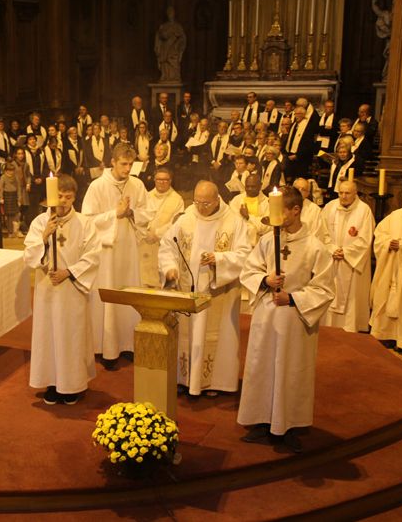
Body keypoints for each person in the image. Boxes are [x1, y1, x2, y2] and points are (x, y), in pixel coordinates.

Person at [237, 186, 335, 453]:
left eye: (280, 210)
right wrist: (265, 280)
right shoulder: (269, 240)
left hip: (295, 321)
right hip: (266, 317)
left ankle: (288, 424)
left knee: (291, 371)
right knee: (262, 366)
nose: (274, 215)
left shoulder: (315, 247)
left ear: (295, 210)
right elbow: (249, 268)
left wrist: (292, 298)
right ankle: (260, 420)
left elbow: (325, 289)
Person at [159, 180, 251, 398]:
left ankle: (215, 383)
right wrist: (170, 268)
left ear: (217, 199)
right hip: (187, 290)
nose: (200, 207)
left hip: (217, 292)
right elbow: (167, 244)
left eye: (206, 203)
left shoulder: (234, 221)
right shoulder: (187, 218)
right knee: (186, 334)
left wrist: (218, 259)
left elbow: (245, 254)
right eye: (197, 202)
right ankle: (185, 378)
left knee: (215, 337)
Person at [24, 175, 101, 405]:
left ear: (75, 197)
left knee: (71, 335)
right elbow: (30, 254)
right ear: (51, 197)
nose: (64, 201)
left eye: (69, 197)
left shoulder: (86, 223)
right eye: (60, 196)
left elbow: (93, 256)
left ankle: (73, 384)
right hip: (48, 289)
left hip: (71, 290)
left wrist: (69, 272)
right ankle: (52, 382)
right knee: (49, 335)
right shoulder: (39, 222)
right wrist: (45, 237)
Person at [83, 143, 152, 370]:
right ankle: (107, 348)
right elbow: (88, 220)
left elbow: (147, 213)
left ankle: (128, 344)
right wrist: (116, 214)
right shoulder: (97, 186)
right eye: (123, 164)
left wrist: (131, 212)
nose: (127, 168)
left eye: (131, 164)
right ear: (112, 162)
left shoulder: (137, 184)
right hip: (107, 252)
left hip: (129, 249)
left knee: (129, 292)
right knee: (109, 294)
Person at [320, 181, 374, 333]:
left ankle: (350, 329)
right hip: (332, 259)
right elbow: (321, 233)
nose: (343, 196)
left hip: (351, 264)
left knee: (352, 300)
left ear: (355, 193)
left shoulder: (364, 210)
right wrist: (332, 249)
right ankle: (327, 326)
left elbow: (365, 238)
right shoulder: (330, 207)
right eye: (341, 193)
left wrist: (346, 252)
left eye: (347, 193)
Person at [370, 184, 402, 352]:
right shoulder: (395, 216)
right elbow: (380, 235)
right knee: (385, 296)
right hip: (391, 266)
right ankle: (386, 334)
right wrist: (389, 243)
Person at [139, 167, 184, 287]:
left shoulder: (177, 199)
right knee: (144, 279)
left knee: (160, 281)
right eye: (159, 179)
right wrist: (146, 232)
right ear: (154, 180)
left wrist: (157, 233)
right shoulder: (146, 196)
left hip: (164, 243)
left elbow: (176, 223)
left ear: (170, 181)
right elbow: (139, 216)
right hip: (145, 243)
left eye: (165, 180)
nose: (162, 182)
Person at [229, 174, 271, 246]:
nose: (250, 189)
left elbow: (267, 227)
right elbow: (233, 223)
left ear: (260, 186)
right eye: (247, 186)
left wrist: (248, 217)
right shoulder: (237, 200)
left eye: (253, 186)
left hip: (261, 244)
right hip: (238, 243)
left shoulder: (268, 203)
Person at [154, 7, 186, 82]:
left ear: (174, 14)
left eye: (171, 13)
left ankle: (175, 77)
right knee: (165, 63)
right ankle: (165, 76)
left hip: (174, 49)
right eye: (169, 13)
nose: (170, 15)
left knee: (173, 63)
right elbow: (159, 37)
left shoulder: (178, 26)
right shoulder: (163, 26)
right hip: (164, 48)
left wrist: (178, 46)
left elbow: (183, 38)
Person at [0, 161, 23, 237]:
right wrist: (1, 198)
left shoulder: (16, 177)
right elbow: (0, 188)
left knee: (16, 214)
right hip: (7, 197)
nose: (11, 172)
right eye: (9, 170)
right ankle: (10, 232)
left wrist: (19, 199)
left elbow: (19, 188)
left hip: (14, 196)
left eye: (12, 170)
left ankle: (16, 230)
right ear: (5, 170)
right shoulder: (3, 177)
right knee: (9, 216)